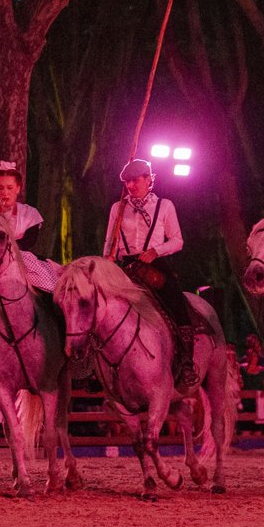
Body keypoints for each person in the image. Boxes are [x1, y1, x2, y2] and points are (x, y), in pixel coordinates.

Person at [102, 158, 197, 387]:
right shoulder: (118, 207)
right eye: (127, 182)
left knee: (177, 305)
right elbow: (109, 242)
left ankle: (185, 362)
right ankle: (97, 363)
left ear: (148, 179)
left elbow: (178, 241)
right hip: (125, 267)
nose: (131, 186)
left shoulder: (165, 206)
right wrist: (107, 258)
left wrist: (156, 251)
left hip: (154, 265)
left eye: (135, 180)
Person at [0, 161, 64, 292]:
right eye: (0, 188)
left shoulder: (29, 213)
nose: (5, 193)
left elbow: (30, 241)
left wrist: (9, 248)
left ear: (18, 188)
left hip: (21, 258)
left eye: (10, 188)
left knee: (51, 286)